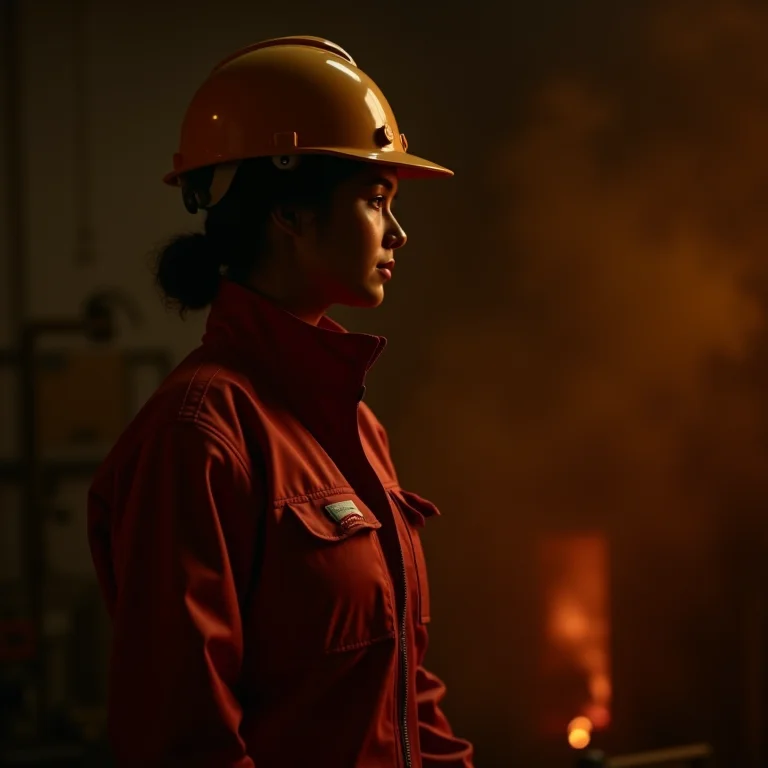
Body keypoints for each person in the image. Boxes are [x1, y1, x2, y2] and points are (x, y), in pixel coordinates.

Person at [87, 35, 474, 768]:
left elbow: (405, 689)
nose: (397, 231)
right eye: (373, 198)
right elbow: (181, 740)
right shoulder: (198, 436)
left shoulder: (354, 423)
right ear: (290, 213)